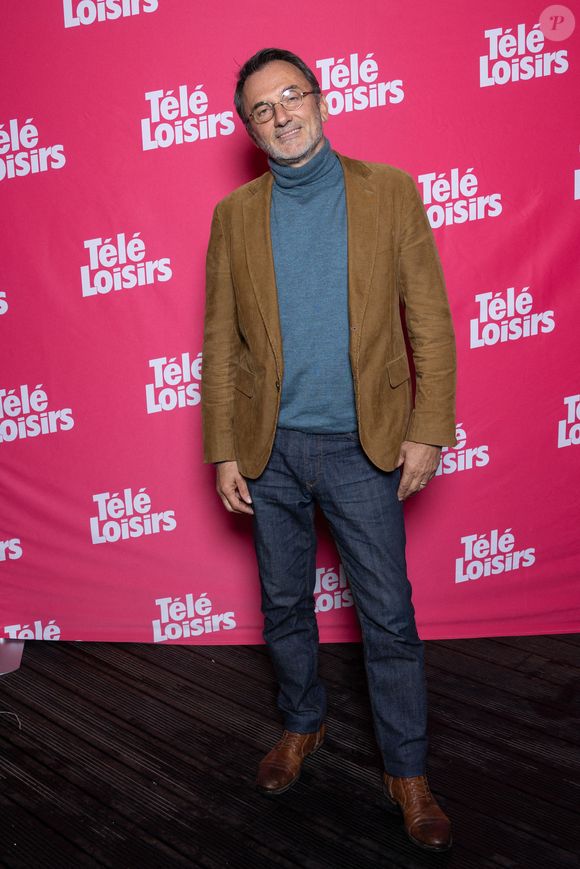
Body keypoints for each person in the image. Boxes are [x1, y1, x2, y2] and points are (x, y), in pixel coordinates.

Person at [201, 47, 456, 852]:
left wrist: (428, 425)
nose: (280, 115)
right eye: (262, 108)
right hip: (267, 449)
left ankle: (407, 772)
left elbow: (431, 321)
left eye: (291, 96)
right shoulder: (233, 214)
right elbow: (218, 341)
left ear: (319, 98)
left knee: (387, 617)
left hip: (362, 446)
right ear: (249, 127)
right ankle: (303, 726)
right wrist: (222, 449)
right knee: (282, 606)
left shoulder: (391, 190)